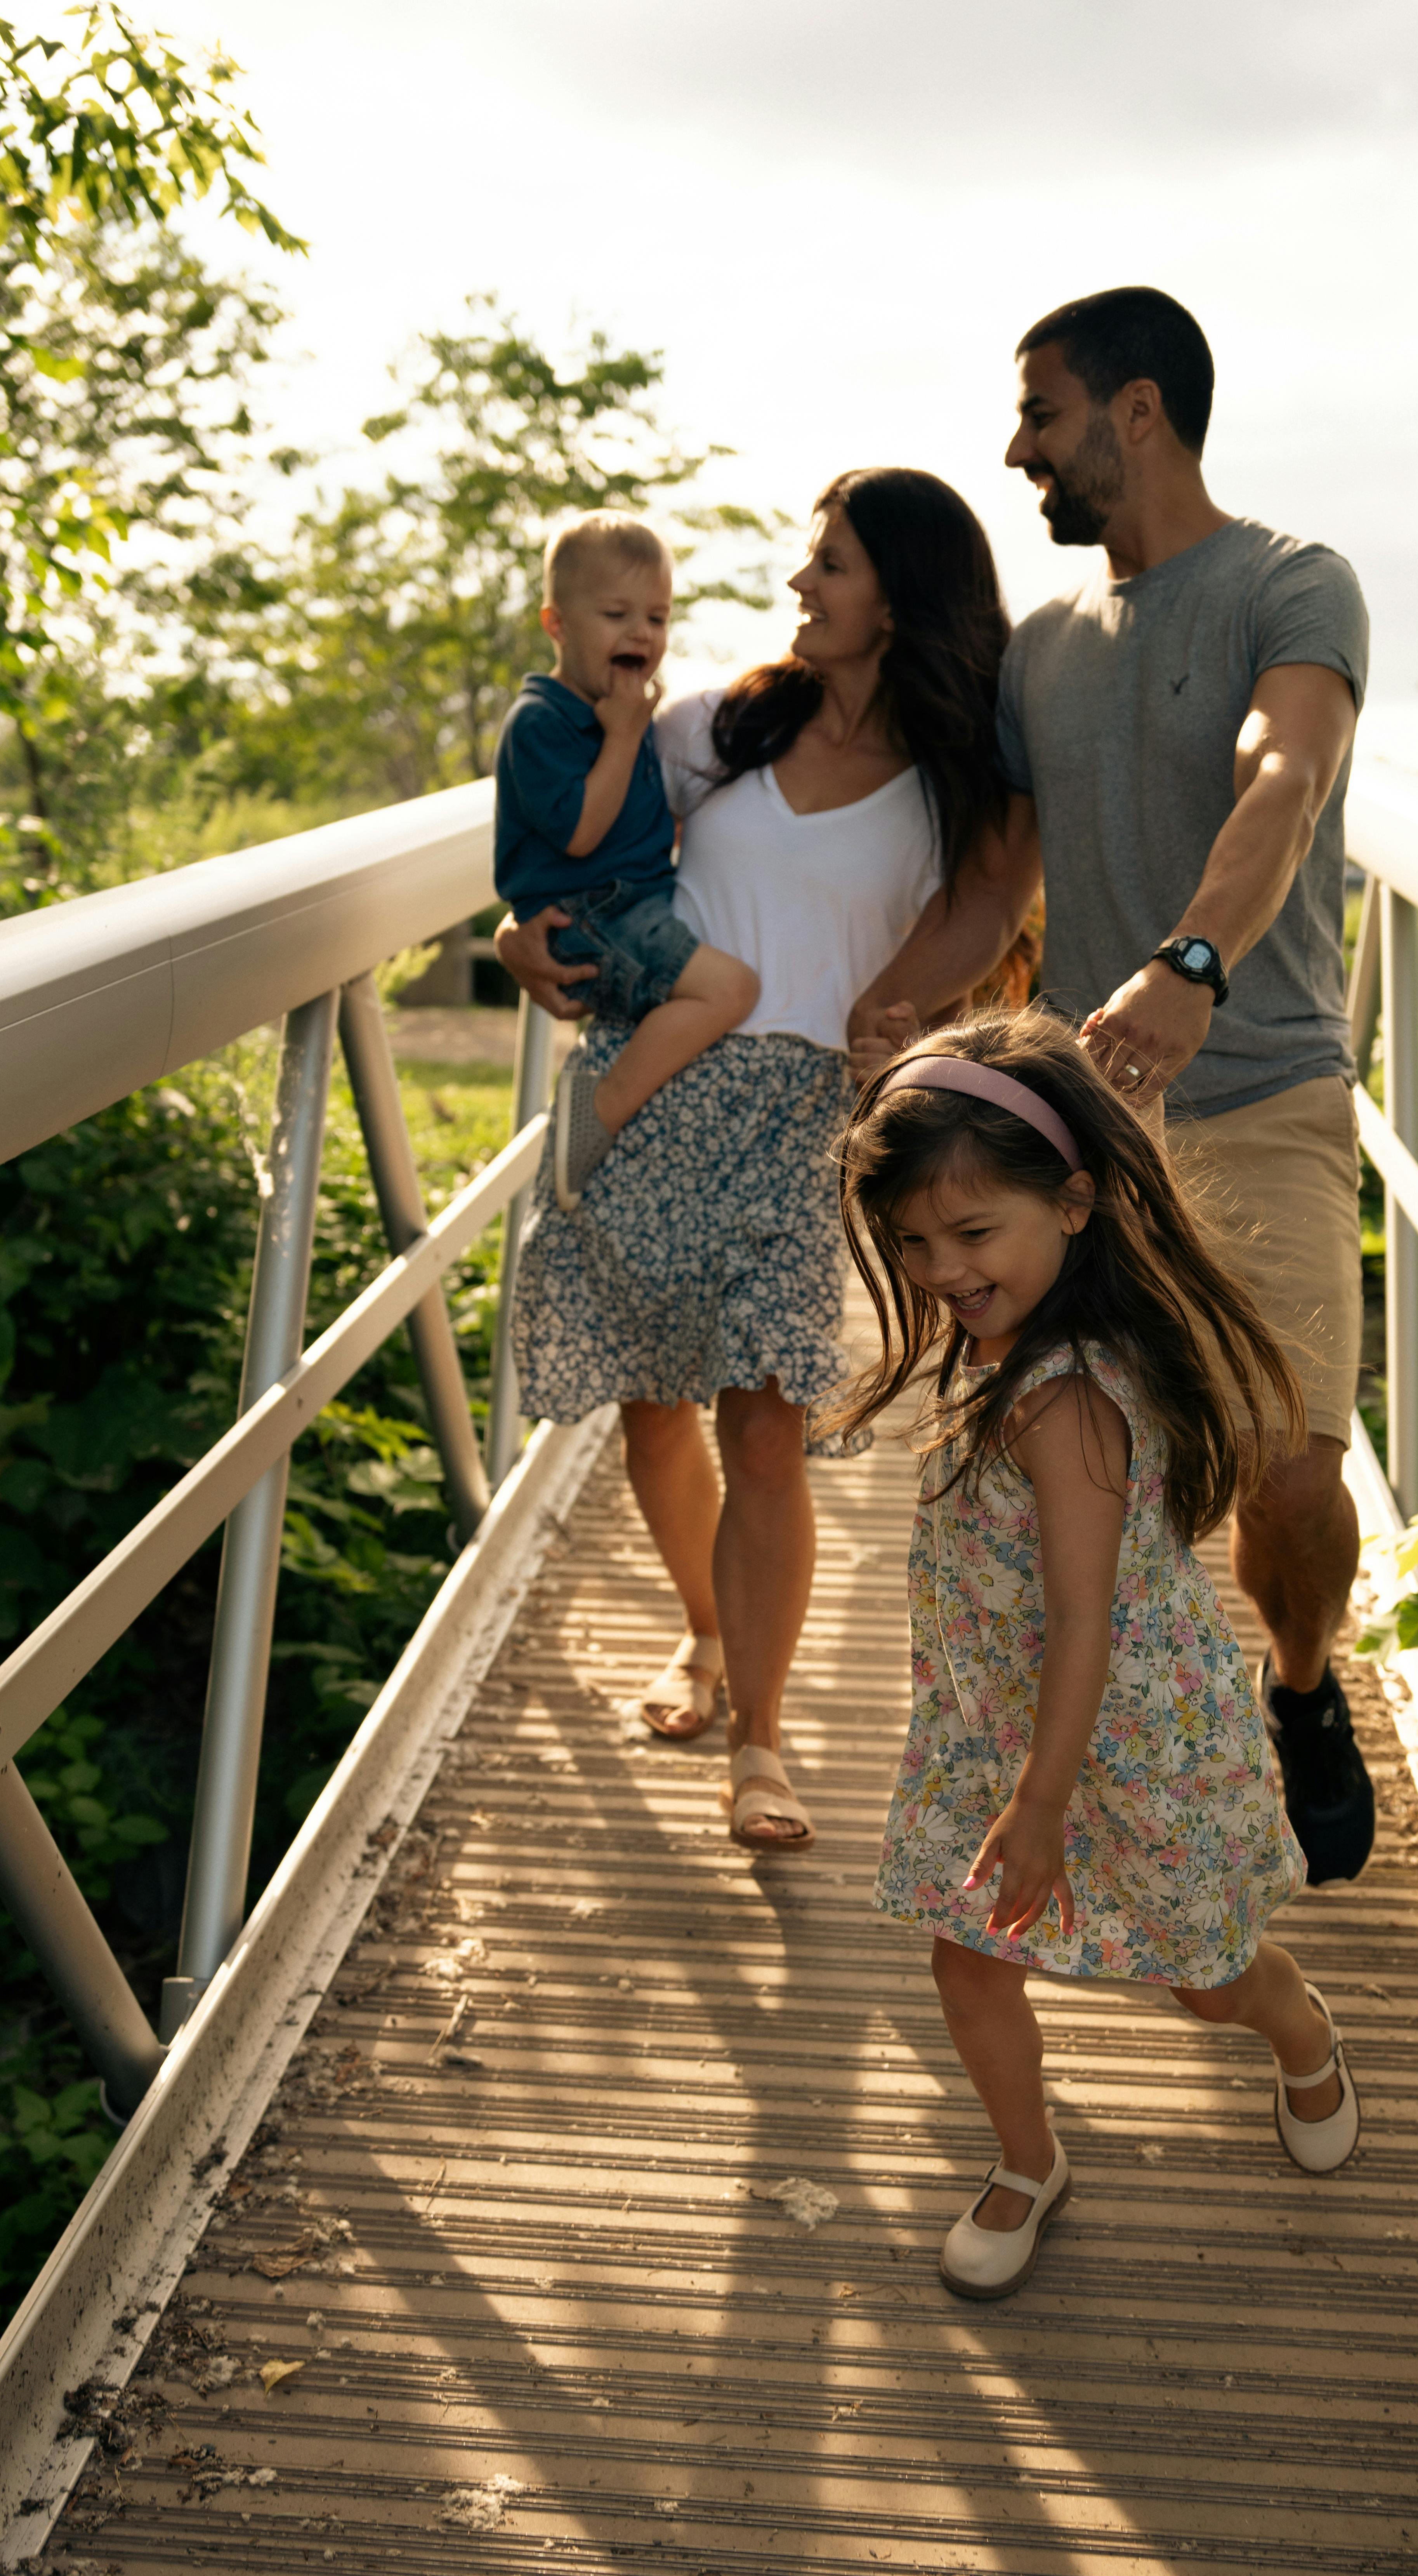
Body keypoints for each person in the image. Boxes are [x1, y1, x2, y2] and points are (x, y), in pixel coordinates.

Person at [849, 285, 1376, 1888]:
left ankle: (1296, 1683)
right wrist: (888, 1003)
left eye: (1041, 414)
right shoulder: (1047, 654)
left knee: (1290, 1478)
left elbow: (1284, 779)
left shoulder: (1292, 584)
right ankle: (1090, 1784)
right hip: (1076, 1130)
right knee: (1082, 1475)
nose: (1019, 452)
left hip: (1263, 1083)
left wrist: (1193, 965)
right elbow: (1002, 872)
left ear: (1134, 411)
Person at [493, 469, 1034, 1852]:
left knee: (766, 1417)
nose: (799, 588)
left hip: (808, 1117)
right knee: (654, 1408)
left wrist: (895, 1013)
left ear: (898, 598)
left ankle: (764, 1740)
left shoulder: (955, 776)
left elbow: (990, 903)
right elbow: (586, 853)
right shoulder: (717, 725)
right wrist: (520, 937)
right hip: (657, 1090)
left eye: (830, 566)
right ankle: (704, 1629)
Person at [830, 1005, 1361, 2300]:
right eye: (911, 1241)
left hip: (1122, 1740)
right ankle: (1027, 2160)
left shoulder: (1066, 1395)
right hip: (1000, 1723)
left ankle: (1305, 2037)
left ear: (1072, 1204)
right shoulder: (997, 1345)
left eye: (971, 1233)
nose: (940, 1267)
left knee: (1209, 1978)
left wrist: (1044, 1800)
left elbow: (1088, 1617)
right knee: (966, 1955)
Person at [494, 514, 757, 1210]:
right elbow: (580, 834)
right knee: (730, 991)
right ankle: (601, 1108)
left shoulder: (620, 711)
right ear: (556, 624)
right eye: (616, 614)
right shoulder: (543, 721)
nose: (641, 633)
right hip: (593, 913)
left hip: (625, 906)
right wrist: (623, 736)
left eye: (658, 617)